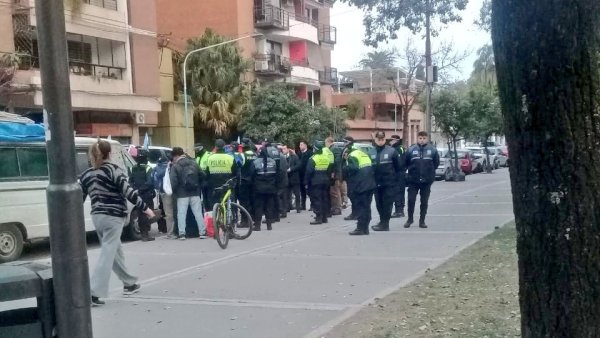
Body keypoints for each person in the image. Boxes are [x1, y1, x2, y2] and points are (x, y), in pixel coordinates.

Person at [80, 140, 155, 306]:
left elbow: (79, 198)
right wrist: (146, 209)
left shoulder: (86, 174)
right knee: (108, 252)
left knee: (115, 251)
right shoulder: (113, 170)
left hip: (97, 217)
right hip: (113, 216)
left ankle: (129, 283)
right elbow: (129, 192)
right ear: (110, 153)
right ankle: (93, 292)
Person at [404, 131, 440, 228]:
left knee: (424, 202)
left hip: (426, 181)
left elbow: (436, 164)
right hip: (413, 180)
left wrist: (430, 175)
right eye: (420, 138)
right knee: (411, 200)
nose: (422, 140)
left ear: (427, 139)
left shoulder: (432, 150)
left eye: (424, 138)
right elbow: (406, 163)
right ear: (417, 138)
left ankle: (422, 221)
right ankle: (410, 219)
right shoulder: (411, 149)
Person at [169, 147, 207, 240]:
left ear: (176, 156)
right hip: (195, 192)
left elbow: (173, 181)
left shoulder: (175, 166)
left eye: (173, 157)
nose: (173, 159)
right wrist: (198, 186)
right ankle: (202, 232)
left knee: (181, 214)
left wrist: (173, 192)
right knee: (198, 213)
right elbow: (203, 175)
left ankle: (182, 234)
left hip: (182, 194)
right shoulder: (194, 163)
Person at [342, 137, 376, 235]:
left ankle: (360, 228)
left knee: (361, 206)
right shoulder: (363, 154)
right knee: (366, 206)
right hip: (369, 184)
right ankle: (365, 228)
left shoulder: (352, 155)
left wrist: (345, 164)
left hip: (361, 185)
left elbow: (353, 168)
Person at [371, 131, 402, 231]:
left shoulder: (392, 151)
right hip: (376, 183)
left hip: (389, 183)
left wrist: (395, 181)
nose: (380, 141)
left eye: (382, 139)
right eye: (378, 139)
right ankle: (382, 221)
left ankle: (385, 224)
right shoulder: (371, 151)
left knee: (387, 204)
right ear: (375, 140)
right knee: (378, 204)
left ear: (385, 139)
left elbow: (398, 167)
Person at [128, 149, 157, 241]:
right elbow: (149, 182)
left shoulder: (133, 168)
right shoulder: (148, 168)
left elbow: (130, 181)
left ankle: (143, 234)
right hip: (146, 194)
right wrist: (142, 189)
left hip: (137, 195)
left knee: (140, 214)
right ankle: (146, 234)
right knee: (147, 213)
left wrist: (135, 190)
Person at [251, 142, 278, 231]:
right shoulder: (273, 162)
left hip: (259, 189)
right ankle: (269, 225)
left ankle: (258, 226)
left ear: (259, 153)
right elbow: (277, 174)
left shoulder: (255, 162)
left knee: (259, 207)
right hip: (271, 188)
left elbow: (252, 175)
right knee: (269, 207)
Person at [304, 141, 333, 225]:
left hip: (316, 181)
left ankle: (318, 217)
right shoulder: (326, 158)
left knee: (316, 199)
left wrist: (306, 182)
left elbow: (309, 171)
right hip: (325, 181)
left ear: (315, 149)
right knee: (324, 199)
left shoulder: (313, 158)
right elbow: (329, 169)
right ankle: (324, 217)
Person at [205, 139, 238, 207]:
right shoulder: (230, 158)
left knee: (214, 205)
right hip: (227, 184)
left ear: (215, 147)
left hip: (214, 186)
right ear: (224, 146)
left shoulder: (210, 158)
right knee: (229, 205)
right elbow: (235, 172)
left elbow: (207, 173)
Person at [152, 156, 176, 238]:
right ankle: (177, 231)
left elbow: (154, 180)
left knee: (168, 213)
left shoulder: (156, 168)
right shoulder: (171, 167)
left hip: (164, 192)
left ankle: (170, 233)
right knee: (175, 212)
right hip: (175, 192)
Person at [238, 138, 256, 227]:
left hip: (244, 182)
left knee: (244, 202)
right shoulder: (255, 154)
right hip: (254, 182)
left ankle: (245, 221)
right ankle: (253, 219)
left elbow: (238, 166)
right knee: (253, 201)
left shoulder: (242, 155)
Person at [389, 134, 406, 218]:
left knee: (398, 192)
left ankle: (399, 211)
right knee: (397, 192)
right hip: (396, 173)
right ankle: (398, 210)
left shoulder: (399, 149)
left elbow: (400, 162)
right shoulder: (395, 149)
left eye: (392, 140)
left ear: (396, 141)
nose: (390, 141)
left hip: (399, 173)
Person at [325, 137, 343, 216]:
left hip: (336, 174)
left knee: (335, 192)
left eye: (325, 143)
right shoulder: (335, 148)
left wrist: (333, 173)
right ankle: (336, 207)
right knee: (335, 191)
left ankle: (337, 208)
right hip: (337, 173)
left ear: (328, 142)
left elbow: (336, 162)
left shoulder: (334, 149)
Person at [281, 144, 302, 213]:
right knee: (286, 194)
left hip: (294, 178)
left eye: (284, 149)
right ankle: (287, 207)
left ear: (288, 149)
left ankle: (298, 208)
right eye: (282, 149)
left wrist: (291, 169)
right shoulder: (282, 157)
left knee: (297, 194)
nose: (283, 150)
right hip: (286, 178)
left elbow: (298, 165)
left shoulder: (294, 157)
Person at [194, 143, 212, 212]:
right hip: (200, 180)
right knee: (204, 200)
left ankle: (210, 215)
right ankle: (207, 214)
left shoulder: (208, 155)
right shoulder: (198, 157)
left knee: (208, 199)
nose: (195, 151)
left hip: (208, 180)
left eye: (196, 149)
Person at [297, 140, 313, 210]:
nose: (300, 146)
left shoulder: (310, 153)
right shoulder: (298, 153)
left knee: (309, 191)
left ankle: (312, 205)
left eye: (301, 145)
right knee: (302, 191)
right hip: (300, 175)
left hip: (308, 174)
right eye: (300, 145)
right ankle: (303, 205)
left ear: (305, 145)